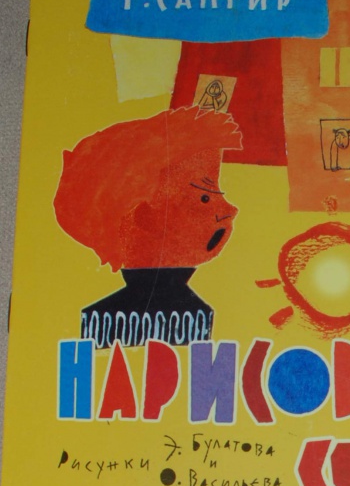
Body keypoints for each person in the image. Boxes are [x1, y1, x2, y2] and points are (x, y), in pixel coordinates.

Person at [54, 106, 242, 347]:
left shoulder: (198, 313)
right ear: (143, 216)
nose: (231, 209)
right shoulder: (105, 320)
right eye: (205, 197)